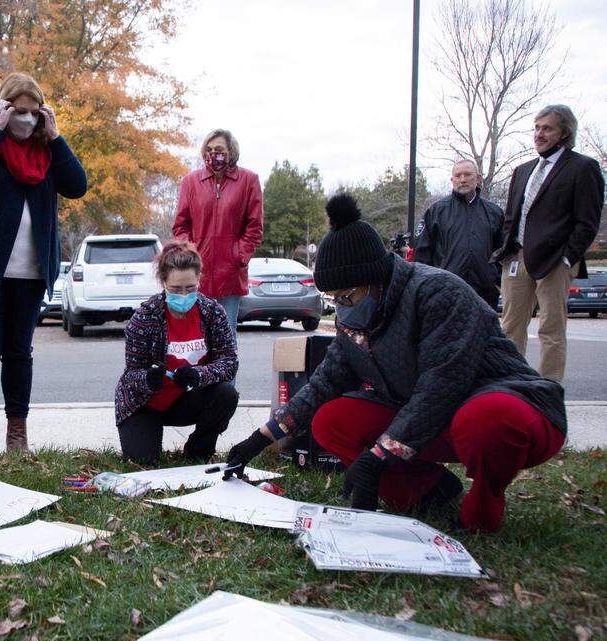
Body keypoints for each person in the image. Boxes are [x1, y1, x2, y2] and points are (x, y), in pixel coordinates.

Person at [220, 194, 566, 533]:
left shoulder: (438, 293)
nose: (341, 307)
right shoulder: (355, 317)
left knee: (486, 421)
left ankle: (480, 511)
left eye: (347, 296)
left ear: (375, 279)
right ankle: (427, 493)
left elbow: (440, 387)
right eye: (333, 299)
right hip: (431, 420)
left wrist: (379, 456)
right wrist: (259, 438)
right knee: (333, 421)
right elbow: (324, 384)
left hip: (505, 407)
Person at [0, 72, 88, 457]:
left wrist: (56, 137)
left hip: (29, 274)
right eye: (16, 110)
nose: (25, 119)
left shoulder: (46, 152)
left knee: (18, 354)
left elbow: (78, 185)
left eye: (32, 112)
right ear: (0, 107)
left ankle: (17, 435)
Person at [492, 105, 605, 383]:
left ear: (564, 132)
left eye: (547, 128)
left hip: (555, 260)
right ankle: (511, 384)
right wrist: (506, 252)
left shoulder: (583, 167)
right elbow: (511, 217)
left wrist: (568, 258)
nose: (539, 134)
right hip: (517, 259)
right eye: (537, 127)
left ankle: (549, 389)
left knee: (551, 330)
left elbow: (587, 222)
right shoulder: (523, 170)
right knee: (509, 327)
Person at [115, 242, 239, 466]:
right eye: (176, 289)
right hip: (145, 402)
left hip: (186, 398)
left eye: (190, 288)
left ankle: (197, 451)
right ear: (163, 282)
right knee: (141, 463)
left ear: (199, 280)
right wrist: (148, 379)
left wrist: (198, 375)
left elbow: (229, 362)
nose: (184, 295)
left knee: (226, 394)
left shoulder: (212, 313)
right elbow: (132, 375)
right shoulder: (145, 317)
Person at [172, 129, 264, 337]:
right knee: (196, 335)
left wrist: (239, 256)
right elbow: (181, 226)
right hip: (196, 273)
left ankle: (225, 371)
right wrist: (190, 255)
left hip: (230, 273)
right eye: (209, 149)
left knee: (226, 336)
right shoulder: (190, 182)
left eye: (219, 149)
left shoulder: (248, 180)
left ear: (230, 151)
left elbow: (254, 226)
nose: (214, 154)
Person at [413, 159, 504, 309]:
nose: (462, 180)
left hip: (485, 292)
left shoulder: (494, 212)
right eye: (458, 175)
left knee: (484, 332)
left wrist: (497, 282)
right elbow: (422, 252)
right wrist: (427, 285)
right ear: (452, 180)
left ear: (478, 178)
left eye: (468, 174)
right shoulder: (436, 212)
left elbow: (502, 251)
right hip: (446, 290)